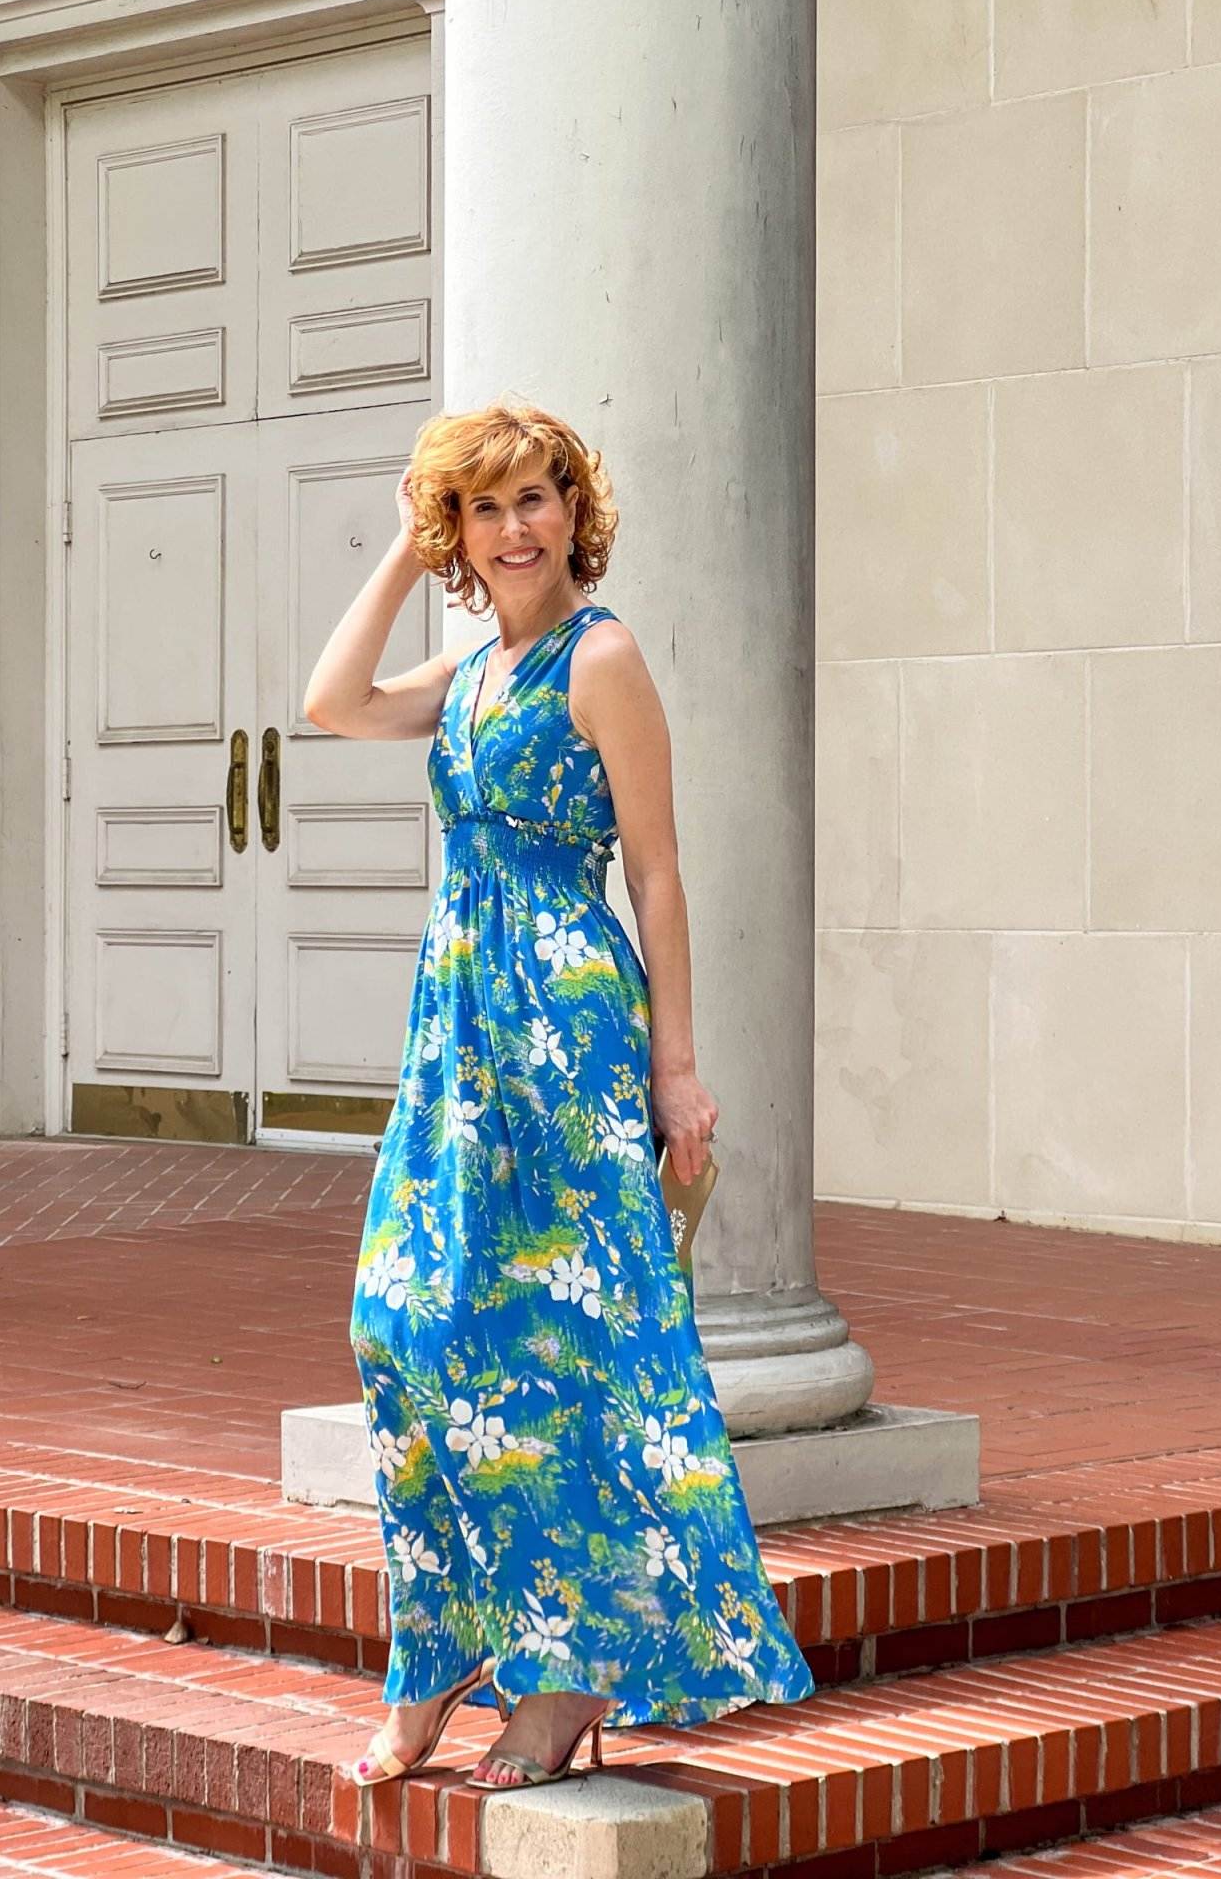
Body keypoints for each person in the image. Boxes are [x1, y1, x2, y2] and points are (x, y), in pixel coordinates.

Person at [303, 395, 816, 1795]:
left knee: (571, 1349)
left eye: (534, 498)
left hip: (569, 1031)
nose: (514, 526)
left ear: (573, 514)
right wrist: (407, 554)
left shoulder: (602, 660)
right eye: (484, 506)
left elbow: (657, 870)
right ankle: (444, 1650)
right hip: (460, 1039)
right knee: (401, 1322)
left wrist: (681, 1069)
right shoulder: (471, 674)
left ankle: (569, 1678)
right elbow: (331, 701)